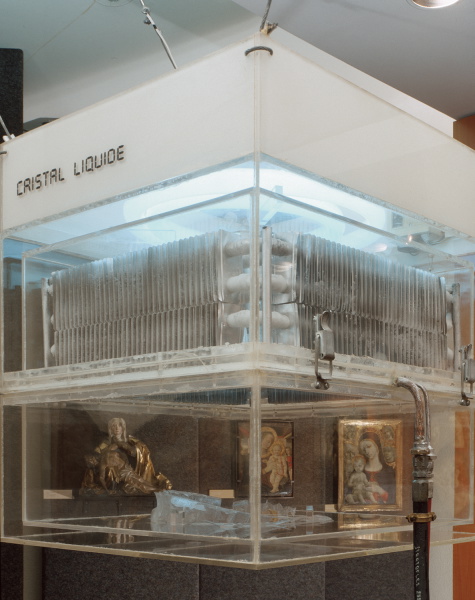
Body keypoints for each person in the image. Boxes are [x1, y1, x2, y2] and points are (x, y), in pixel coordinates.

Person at [80, 417, 172, 496]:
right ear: (110, 429)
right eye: (114, 426)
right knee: (137, 483)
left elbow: (137, 451)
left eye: (119, 425)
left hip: (128, 468)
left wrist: (121, 444)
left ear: (123, 428)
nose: (117, 428)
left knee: (140, 481)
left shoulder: (130, 440)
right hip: (117, 473)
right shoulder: (105, 444)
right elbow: (98, 456)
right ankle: (156, 490)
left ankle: (156, 489)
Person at [358, 432, 396, 505]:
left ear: (377, 446)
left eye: (369, 446)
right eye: (363, 449)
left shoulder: (389, 471)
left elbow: (394, 498)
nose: (366, 451)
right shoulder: (359, 471)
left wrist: (379, 490)